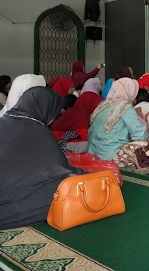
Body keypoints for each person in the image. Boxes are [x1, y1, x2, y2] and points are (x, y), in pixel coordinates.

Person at [0, 87, 85, 229]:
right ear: (46, 109)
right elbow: (60, 169)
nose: (53, 119)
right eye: (55, 114)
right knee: (66, 190)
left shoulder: (5, 119)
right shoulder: (37, 130)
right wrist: (87, 175)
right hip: (8, 199)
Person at [87, 78, 148, 161]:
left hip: (92, 154)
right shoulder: (125, 107)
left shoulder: (102, 106)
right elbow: (139, 135)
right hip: (111, 155)